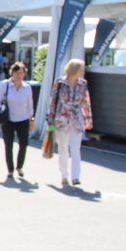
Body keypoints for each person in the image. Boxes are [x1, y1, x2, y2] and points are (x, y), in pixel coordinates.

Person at [48, 58, 93, 186]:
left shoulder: (82, 84)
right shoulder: (59, 82)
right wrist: (50, 119)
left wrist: (88, 119)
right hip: (61, 120)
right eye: (81, 69)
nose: (82, 71)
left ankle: (75, 177)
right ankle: (64, 175)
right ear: (75, 69)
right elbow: (53, 101)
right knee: (63, 149)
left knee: (75, 149)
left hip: (77, 120)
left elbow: (86, 102)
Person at [0, 62, 35, 178]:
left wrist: (31, 120)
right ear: (12, 73)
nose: (19, 75)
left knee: (24, 143)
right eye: (17, 73)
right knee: (8, 144)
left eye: (22, 73)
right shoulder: (5, 85)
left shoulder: (27, 88)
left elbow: (30, 105)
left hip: (23, 119)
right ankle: (10, 169)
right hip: (8, 119)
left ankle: (19, 167)